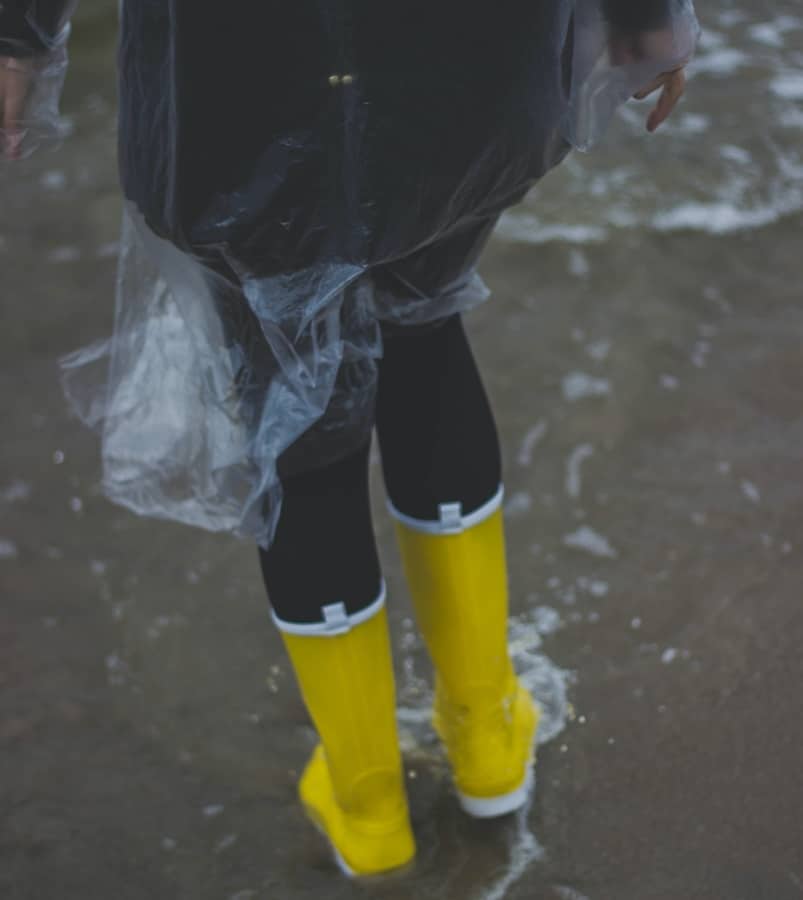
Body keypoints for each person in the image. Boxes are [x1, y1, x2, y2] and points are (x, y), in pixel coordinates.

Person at [1, 0, 698, 877]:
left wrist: (19, 37)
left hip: (234, 96)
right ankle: (487, 737)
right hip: (471, 73)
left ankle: (368, 802)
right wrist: (647, 19)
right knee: (425, 329)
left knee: (301, 426)